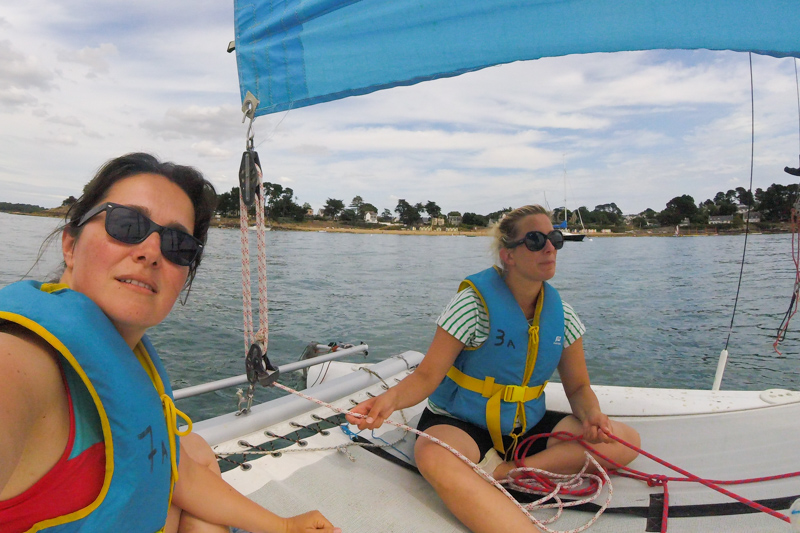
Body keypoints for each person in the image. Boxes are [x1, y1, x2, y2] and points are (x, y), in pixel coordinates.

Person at [0, 153, 340, 533]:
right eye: (126, 223)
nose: (151, 252)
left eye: (178, 244)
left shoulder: (123, 360)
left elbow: (179, 475)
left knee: (192, 449)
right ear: (70, 245)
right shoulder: (20, 360)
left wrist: (285, 527)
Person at [346, 204, 640, 533]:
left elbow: (579, 389)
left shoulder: (563, 316)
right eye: (534, 239)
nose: (548, 247)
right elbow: (428, 376)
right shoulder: (472, 307)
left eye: (554, 238)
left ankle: (504, 472)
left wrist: (592, 416)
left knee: (625, 441)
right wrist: (387, 402)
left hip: (524, 428)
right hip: (461, 425)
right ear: (508, 255)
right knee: (432, 455)